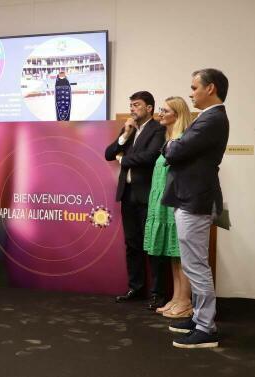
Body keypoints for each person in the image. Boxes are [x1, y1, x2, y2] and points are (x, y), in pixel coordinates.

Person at [162, 68, 229, 348]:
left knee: (197, 265)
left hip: (195, 199)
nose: (191, 93)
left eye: (194, 87)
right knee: (193, 263)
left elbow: (174, 151)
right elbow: (176, 149)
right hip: (191, 197)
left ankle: (206, 327)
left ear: (210, 88)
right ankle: (200, 318)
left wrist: (172, 145)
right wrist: (174, 146)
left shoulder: (211, 120)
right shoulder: (206, 119)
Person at [105, 91, 166, 309]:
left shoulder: (158, 129)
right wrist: (124, 136)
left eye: (137, 105)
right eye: (130, 105)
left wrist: (125, 159)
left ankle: (159, 293)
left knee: (152, 244)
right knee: (132, 244)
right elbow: (108, 153)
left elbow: (151, 156)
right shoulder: (129, 130)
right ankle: (136, 288)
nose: (132, 109)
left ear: (149, 108)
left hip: (148, 194)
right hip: (128, 195)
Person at [143, 97, 193, 318]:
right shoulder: (169, 138)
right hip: (162, 202)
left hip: (175, 203)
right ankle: (176, 297)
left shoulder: (182, 140)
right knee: (173, 253)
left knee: (181, 254)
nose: (160, 113)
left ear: (177, 114)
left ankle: (185, 300)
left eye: (165, 110)